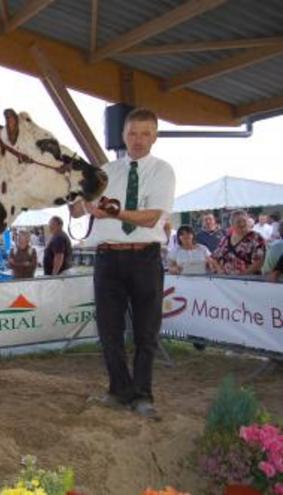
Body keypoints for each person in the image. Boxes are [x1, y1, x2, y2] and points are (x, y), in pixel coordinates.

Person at [71, 107, 175, 420]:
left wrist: (114, 212)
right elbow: (77, 210)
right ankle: (119, 390)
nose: (139, 140)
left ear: (155, 136)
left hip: (144, 256)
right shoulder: (105, 171)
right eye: (133, 133)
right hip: (107, 258)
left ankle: (143, 395)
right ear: (123, 135)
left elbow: (152, 216)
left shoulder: (163, 171)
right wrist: (83, 202)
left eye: (145, 133)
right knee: (109, 330)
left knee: (146, 332)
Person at [211, 210, 266, 275]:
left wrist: (241, 276)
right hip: (226, 281)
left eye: (244, 221)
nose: (242, 224)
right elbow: (214, 258)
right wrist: (220, 270)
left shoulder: (256, 238)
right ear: (232, 225)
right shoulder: (226, 239)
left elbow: (259, 262)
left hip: (249, 281)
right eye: (238, 222)